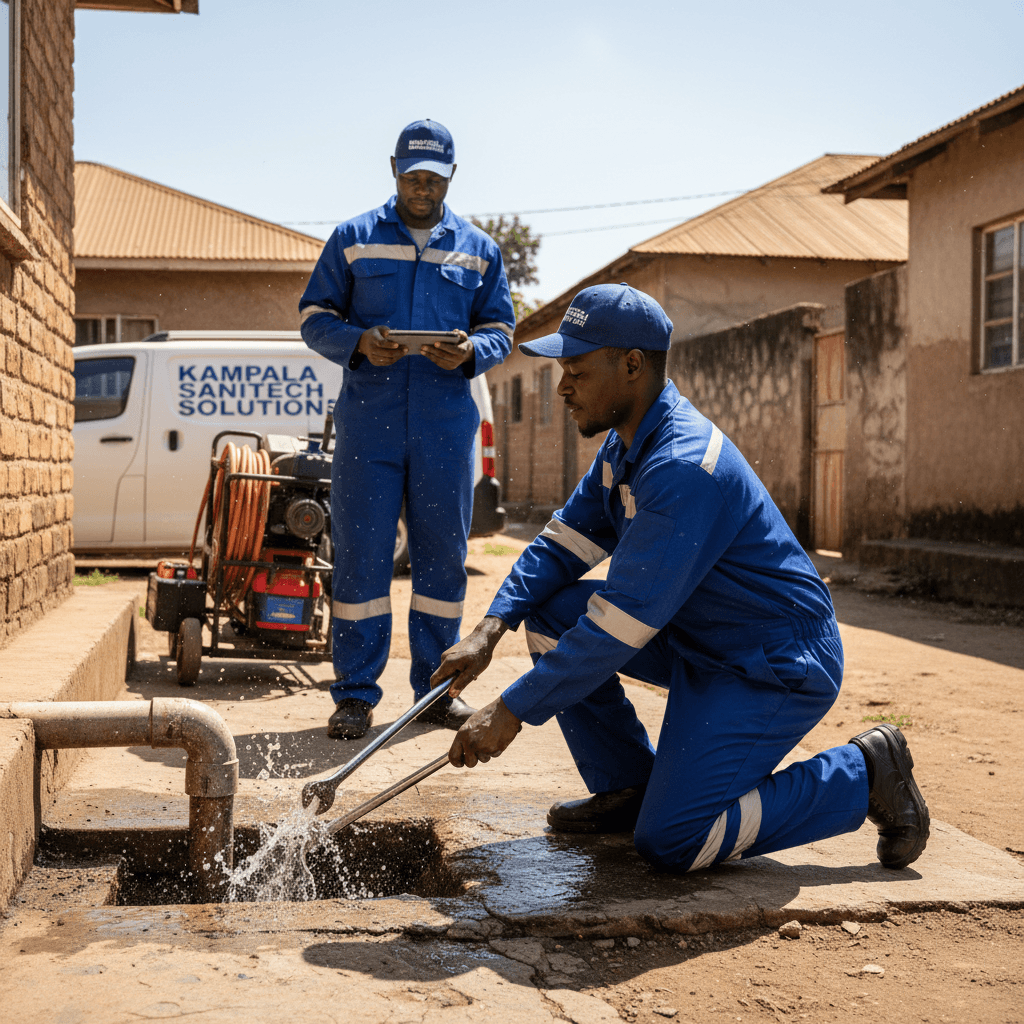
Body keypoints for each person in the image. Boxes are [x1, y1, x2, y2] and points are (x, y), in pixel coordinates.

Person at [431, 283, 929, 873]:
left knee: (675, 840)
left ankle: (863, 773)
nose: (562, 386)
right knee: (549, 613)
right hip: (700, 637)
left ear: (632, 366)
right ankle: (627, 786)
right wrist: (491, 628)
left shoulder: (683, 467)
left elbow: (619, 625)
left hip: (770, 662)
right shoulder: (626, 446)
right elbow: (564, 543)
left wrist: (512, 709)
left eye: (577, 370)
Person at [300, 120, 515, 740]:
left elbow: (501, 328)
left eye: (435, 178)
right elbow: (314, 317)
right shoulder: (353, 239)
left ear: (452, 176)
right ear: (394, 169)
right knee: (361, 560)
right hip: (369, 427)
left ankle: (436, 695)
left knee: (443, 563)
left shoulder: (479, 249)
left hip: (445, 428)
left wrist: (471, 351)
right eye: (413, 175)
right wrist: (359, 342)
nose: (423, 187)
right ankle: (354, 696)